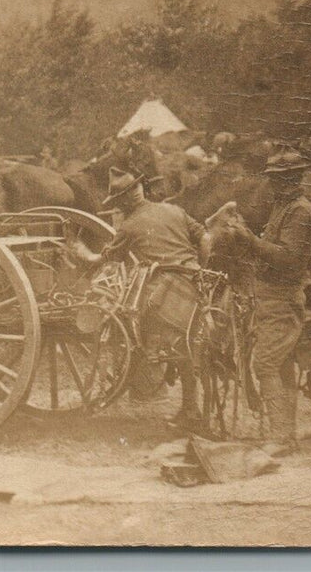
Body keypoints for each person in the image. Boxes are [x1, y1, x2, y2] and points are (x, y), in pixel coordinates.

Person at [74, 166, 210, 430]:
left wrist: (82, 253)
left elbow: (107, 259)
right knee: (186, 347)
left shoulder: (130, 225)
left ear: (121, 201)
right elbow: (205, 238)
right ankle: (190, 409)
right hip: (195, 288)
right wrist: (198, 268)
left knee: (127, 329)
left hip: (162, 295)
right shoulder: (174, 210)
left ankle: (146, 388)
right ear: (140, 189)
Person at [223, 150, 311, 455]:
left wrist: (249, 238)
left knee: (265, 364)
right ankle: (285, 435)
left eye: (277, 178)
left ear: (291, 179)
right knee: (282, 365)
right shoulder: (284, 205)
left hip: (282, 298)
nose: (272, 184)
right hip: (271, 297)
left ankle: (279, 437)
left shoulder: (300, 211)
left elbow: (288, 259)